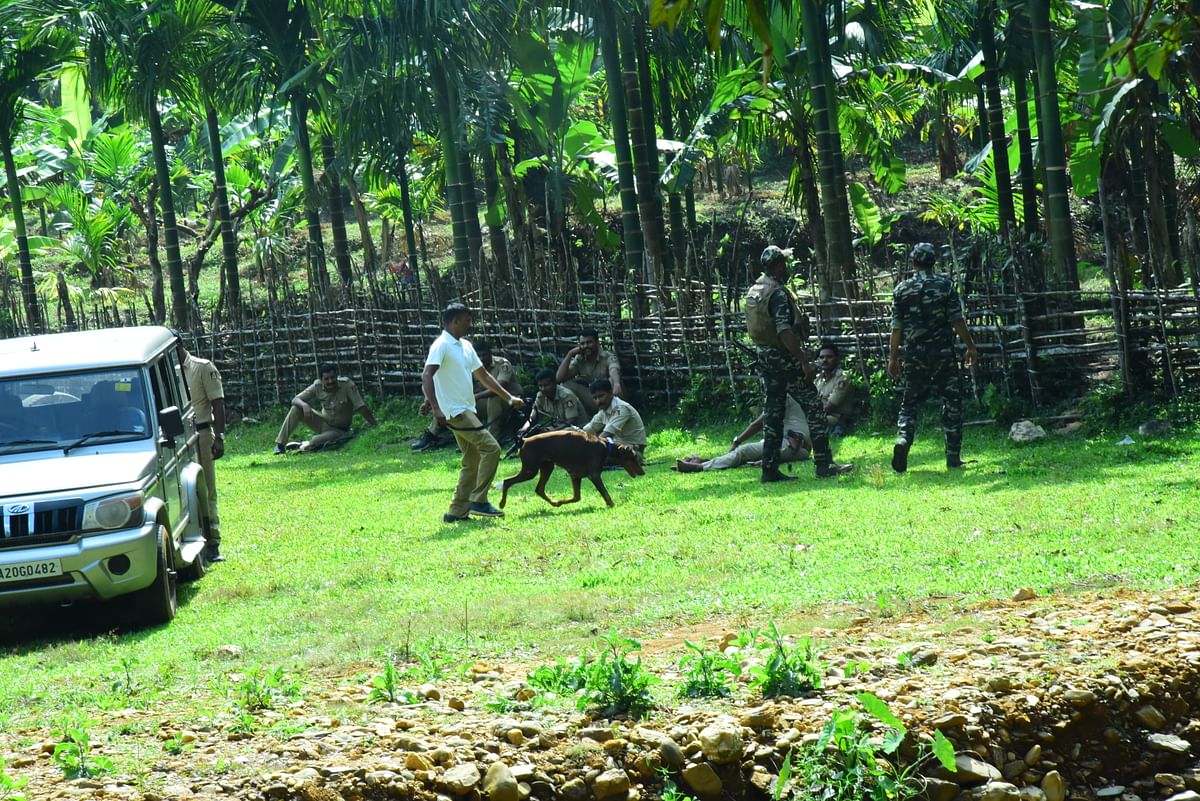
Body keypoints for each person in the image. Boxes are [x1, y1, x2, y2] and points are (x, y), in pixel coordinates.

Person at [745, 245, 852, 482]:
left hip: (766, 357)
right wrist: (804, 362)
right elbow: (784, 330)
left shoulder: (755, 290)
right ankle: (824, 463)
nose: (786, 266)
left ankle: (769, 469)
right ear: (778, 265)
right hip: (785, 359)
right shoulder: (778, 293)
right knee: (813, 407)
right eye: (783, 262)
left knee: (773, 413)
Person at [422, 303, 525, 522]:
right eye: (467, 320)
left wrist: (509, 397)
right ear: (455, 321)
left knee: (472, 459)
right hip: (454, 411)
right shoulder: (441, 345)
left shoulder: (465, 345)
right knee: (491, 448)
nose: (470, 324)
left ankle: (456, 511)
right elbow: (428, 375)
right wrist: (435, 406)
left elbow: (484, 376)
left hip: (465, 408)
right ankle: (479, 500)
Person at [888, 242, 977, 472]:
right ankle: (953, 457)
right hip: (942, 354)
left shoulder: (901, 290)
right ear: (934, 262)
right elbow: (957, 320)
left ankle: (903, 440)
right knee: (952, 402)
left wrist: (893, 358)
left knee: (910, 403)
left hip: (913, 354)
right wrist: (970, 346)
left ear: (913, 262)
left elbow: (896, 328)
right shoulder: (945, 286)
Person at [412, 341, 524, 449]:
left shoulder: (502, 364)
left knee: (494, 399)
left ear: (491, 353)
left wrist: (475, 397)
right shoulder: (470, 366)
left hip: (507, 402)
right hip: (481, 402)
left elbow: (498, 388)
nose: (482, 359)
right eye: (478, 356)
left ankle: (492, 438)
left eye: (485, 355)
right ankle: (432, 434)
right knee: (451, 401)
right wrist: (430, 401)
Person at [177, 339, 226, 563]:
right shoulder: (167, 371)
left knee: (206, 488)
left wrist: (220, 437)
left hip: (202, 432)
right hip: (178, 438)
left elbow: (218, 403)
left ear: (179, 345)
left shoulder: (202, 367)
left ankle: (213, 541)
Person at [676, 394, 810, 473]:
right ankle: (707, 462)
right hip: (786, 444)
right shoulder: (794, 393)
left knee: (744, 451)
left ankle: (699, 467)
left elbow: (757, 424)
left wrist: (737, 441)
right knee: (746, 455)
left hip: (793, 446)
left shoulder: (782, 395)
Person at [273, 364, 378, 454]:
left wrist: (374, 425)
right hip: (322, 423)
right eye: (326, 379)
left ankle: (302, 445)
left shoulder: (347, 385)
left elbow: (361, 406)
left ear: (336, 376)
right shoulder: (317, 386)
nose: (330, 381)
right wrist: (305, 405)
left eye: (332, 377)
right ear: (321, 379)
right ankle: (280, 444)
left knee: (315, 441)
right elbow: (295, 399)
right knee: (296, 408)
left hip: (338, 430)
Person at [556, 329, 623, 418]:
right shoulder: (579, 359)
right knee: (565, 385)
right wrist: (569, 354)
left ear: (597, 342)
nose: (586, 346)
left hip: (609, 398)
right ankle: (580, 418)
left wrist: (617, 384)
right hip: (592, 398)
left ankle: (614, 416)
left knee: (612, 380)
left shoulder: (607, 356)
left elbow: (614, 369)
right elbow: (559, 378)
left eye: (589, 342)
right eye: (582, 344)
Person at [582, 378, 646, 461]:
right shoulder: (603, 411)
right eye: (595, 398)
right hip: (617, 448)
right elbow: (589, 429)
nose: (598, 401)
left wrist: (592, 448)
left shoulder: (621, 408)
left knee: (595, 459)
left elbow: (607, 434)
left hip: (632, 450)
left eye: (601, 396)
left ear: (611, 393)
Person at [813, 341, 856, 435]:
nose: (824, 360)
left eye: (829, 357)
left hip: (836, 418)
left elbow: (830, 406)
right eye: (821, 357)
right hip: (820, 415)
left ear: (836, 359)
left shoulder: (843, 378)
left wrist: (810, 415)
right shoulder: (818, 379)